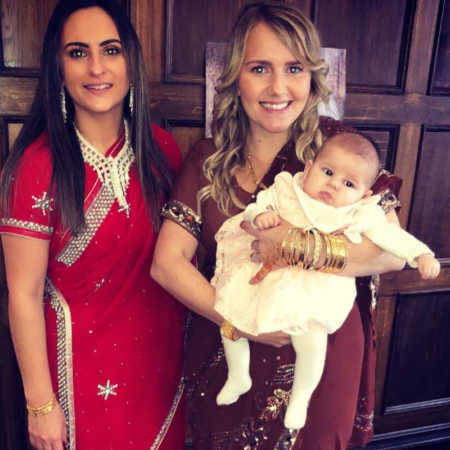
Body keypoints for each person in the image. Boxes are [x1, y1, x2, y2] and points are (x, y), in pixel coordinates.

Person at [151, 2, 405, 449]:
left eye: (293, 68)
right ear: (235, 76)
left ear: (311, 77)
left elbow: (388, 252)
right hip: (235, 347)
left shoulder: (340, 151)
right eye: (259, 68)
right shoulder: (208, 159)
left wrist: (294, 246)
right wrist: (247, 323)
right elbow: (167, 264)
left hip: (321, 351)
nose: (278, 87)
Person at [0, 1, 186, 449]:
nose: (97, 67)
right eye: (78, 52)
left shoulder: (161, 152)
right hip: (79, 376)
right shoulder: (36, 166)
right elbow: (23, 295)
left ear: (130, 62)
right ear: (58, 67)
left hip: (161, 366)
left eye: (111, 50)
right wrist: (40, 406)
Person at [212, 132, 440, 430]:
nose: (334, 184)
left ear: (365, 194)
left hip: (315, 287)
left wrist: (421, 254)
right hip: (265, 276)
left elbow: (391, 237)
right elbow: (257, 206)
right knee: (231, 317)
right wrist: (260, 217)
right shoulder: (287, 189)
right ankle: (238, 374)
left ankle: (300, 398)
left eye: (349, 184)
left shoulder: (358, 213)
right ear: (308, 169)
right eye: (328, 172)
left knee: (311, 341)